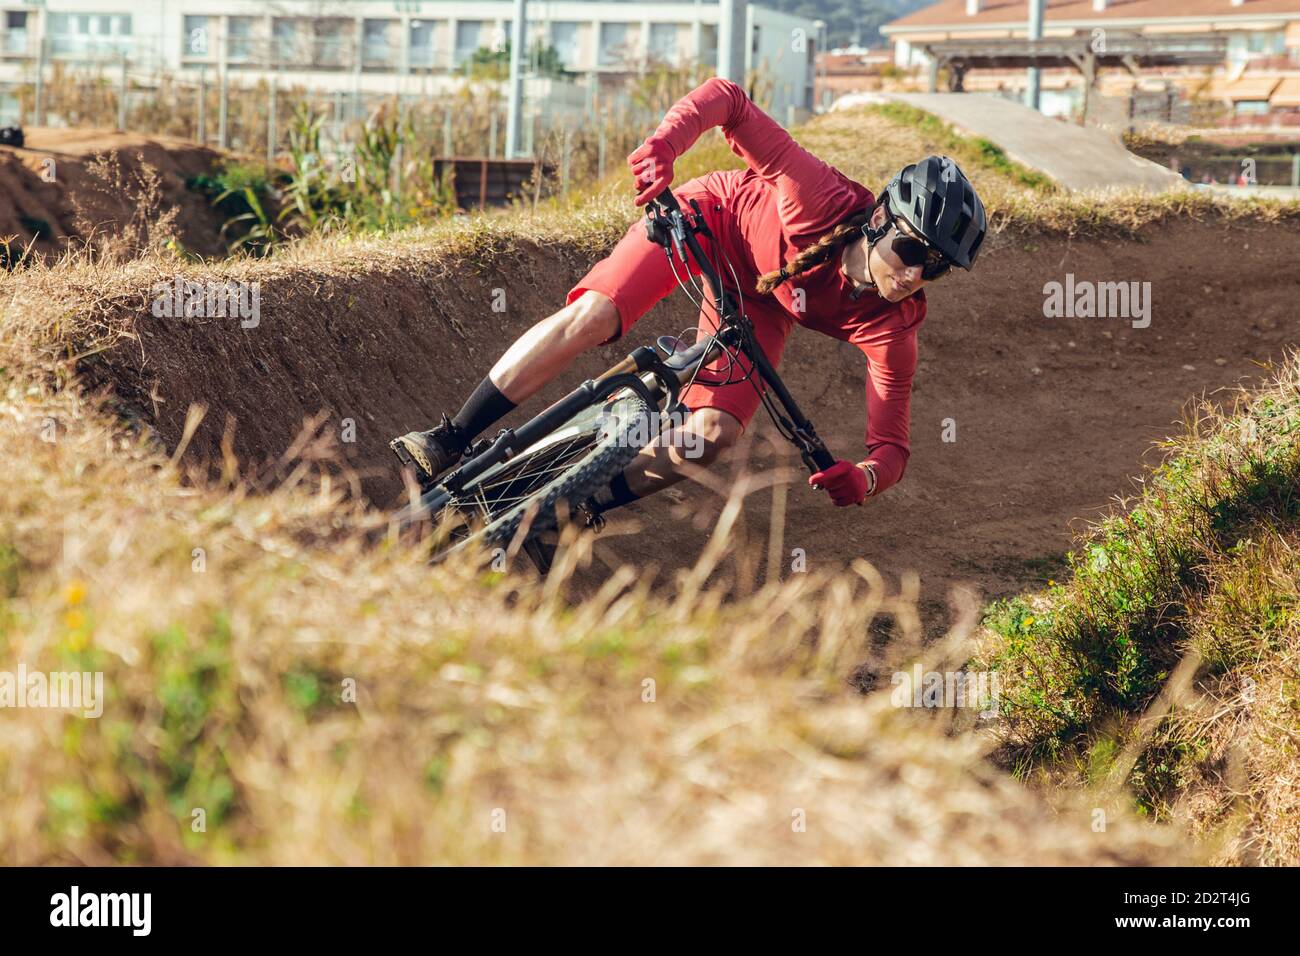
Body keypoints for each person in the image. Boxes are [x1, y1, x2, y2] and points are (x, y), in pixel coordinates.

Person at [391, 77, 986, 515]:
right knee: (596, 315)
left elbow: (892, 448)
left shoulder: (895, 328)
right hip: (712, 218)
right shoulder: (817, 195)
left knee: (712, 435)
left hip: (760, 298)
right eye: (911, 251)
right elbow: (728, 98)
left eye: (934, 269)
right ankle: (449, 438)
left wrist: (864, 478)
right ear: (880, 218)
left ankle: (568, 503)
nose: (914, 275)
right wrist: (664, 146)